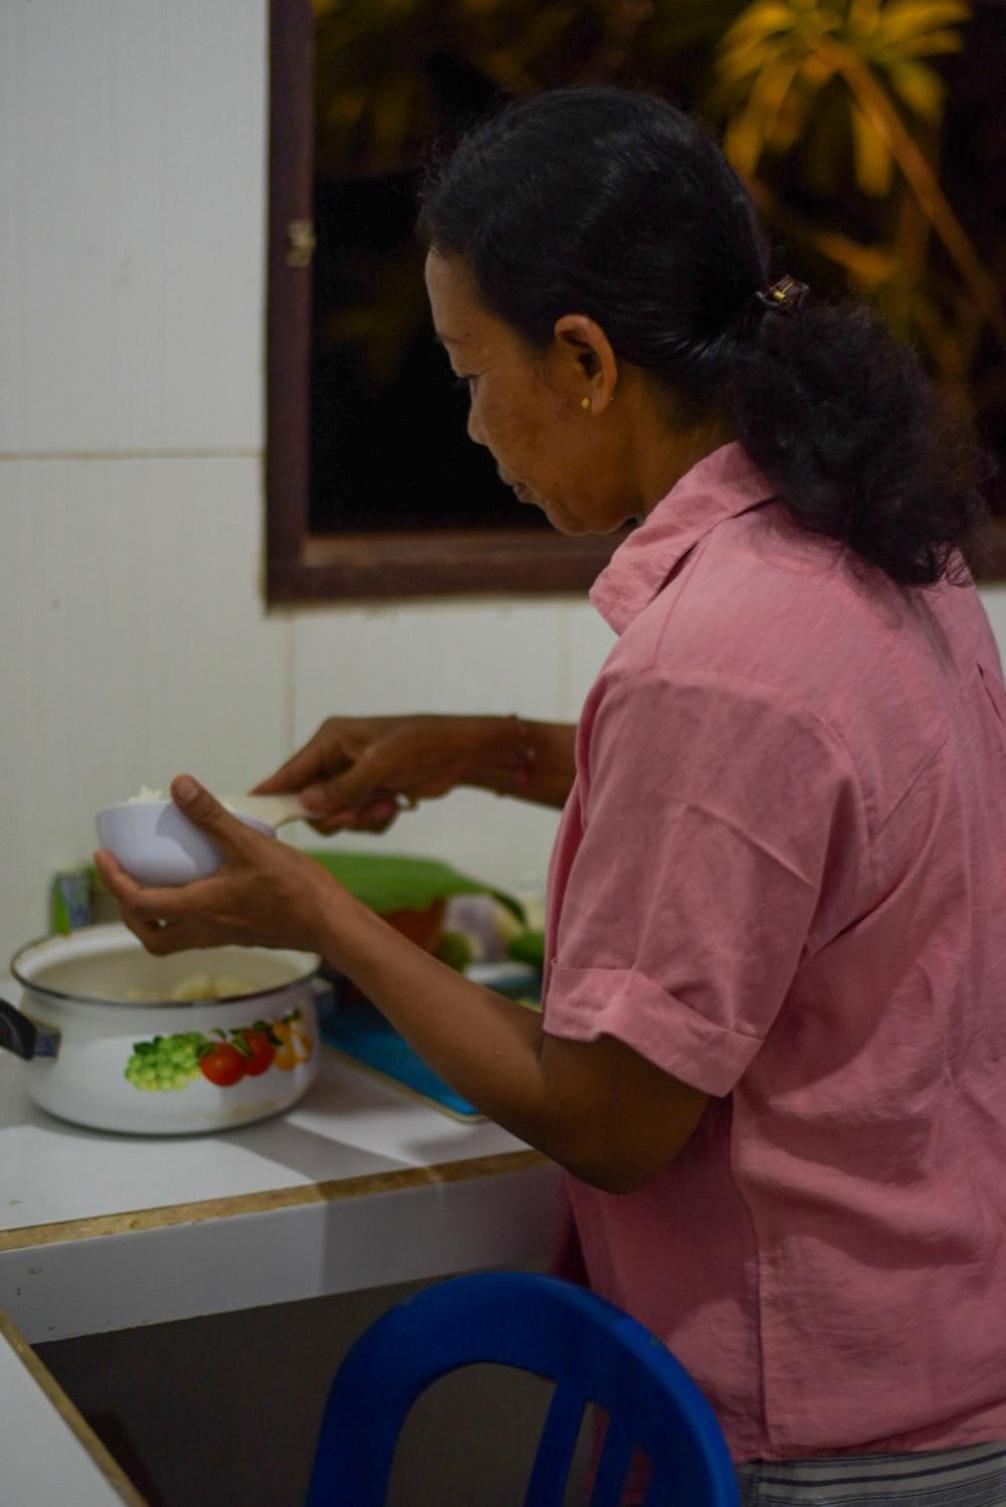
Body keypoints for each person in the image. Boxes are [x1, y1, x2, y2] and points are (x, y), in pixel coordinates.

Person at [95, 87, 1006, 1506]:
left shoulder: (716, 658)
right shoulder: (881, 542)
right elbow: (814, 814)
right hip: (946, 1320)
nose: (467, 424)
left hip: (827, 1418)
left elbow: (606, 1120)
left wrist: (315, 913)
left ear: (582, 360)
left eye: (469, 369)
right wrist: (489, 748)